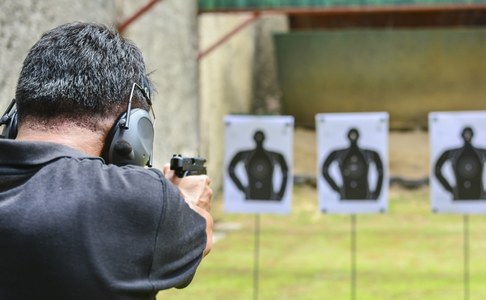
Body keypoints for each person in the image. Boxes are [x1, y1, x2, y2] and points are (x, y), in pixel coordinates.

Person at [0, 22, 213, 299]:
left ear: (14, 118)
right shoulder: (137, 197)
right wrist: (186, 198)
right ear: (132, 130)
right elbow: (202, 232)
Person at [433, 126, 486, 200]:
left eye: (469, 134)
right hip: (464, 194)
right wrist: (449, 188)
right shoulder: (483, 153)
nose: (467, 137)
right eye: (466, 135)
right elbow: (437, 170)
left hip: (471, 194)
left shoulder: (453, 153)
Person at [321, 128, 384, 200]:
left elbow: (380, 172)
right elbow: (324, 170)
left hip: (359, 194)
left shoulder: (339, 153)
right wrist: (336, 188)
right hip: (350, 194)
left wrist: (377, 193)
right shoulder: (368, 154)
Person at [227, 130, 289, 201]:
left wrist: (281, 194)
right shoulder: (273, 155)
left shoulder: (246, 154)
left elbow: (285, 172)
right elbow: (231, 169)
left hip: (264, 194)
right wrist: (241, 188)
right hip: (254, 194)